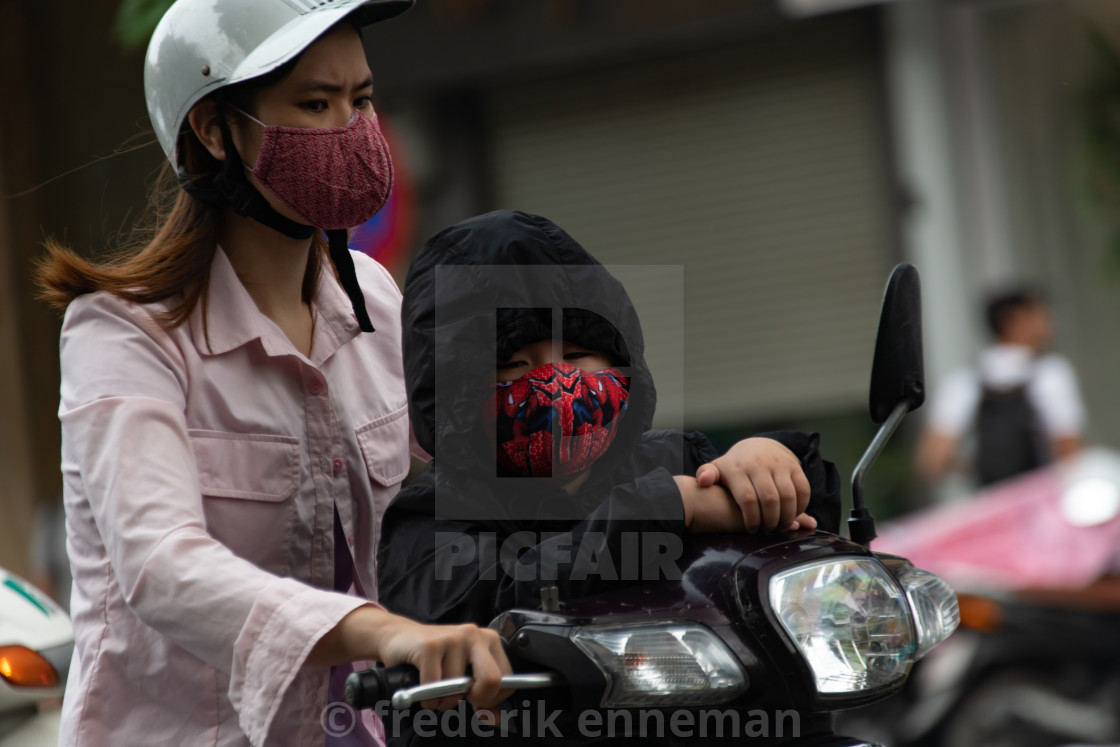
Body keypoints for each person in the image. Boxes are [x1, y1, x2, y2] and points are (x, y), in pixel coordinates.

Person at [34, 1, 510, 745]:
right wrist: (379, 630)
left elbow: (494, 471)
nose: (351, 130)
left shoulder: (375, 302)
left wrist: (701, 483)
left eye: (362, 100)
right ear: (214, 129)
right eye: (315, 104)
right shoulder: (123, 331)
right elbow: (160, 562)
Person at [377, 209, 841, 635]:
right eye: (516, 366)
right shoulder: (432, 515)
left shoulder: (676, 458)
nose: (557, 381)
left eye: (577, 355)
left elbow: (815, 520)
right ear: (454, 392)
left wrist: (769, 456)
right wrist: (669, 507)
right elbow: (494, 601)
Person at [916, 285, 1086, 489]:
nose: (1050, 324)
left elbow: (933, 461)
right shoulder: (1051, 373)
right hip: (1041, 498)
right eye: (1041, 316)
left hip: (993, 503)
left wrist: (979, 465)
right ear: (1014, 318)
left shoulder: (964, 381)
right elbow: (1070, 452)